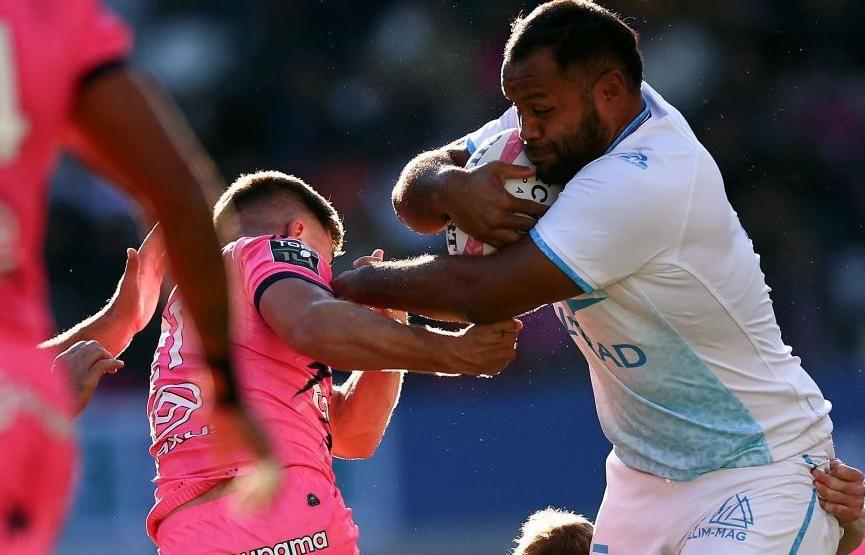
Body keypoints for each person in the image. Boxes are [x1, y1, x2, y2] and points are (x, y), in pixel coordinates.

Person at [331, 1, 863, 552]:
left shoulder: (647, 177)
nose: (526, 130)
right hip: (642, 479)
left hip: (759, 469)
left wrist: (352, 287)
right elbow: (410, 202)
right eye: (518, 109)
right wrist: (448, 186)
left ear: (608, 92)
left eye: (538, 111)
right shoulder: (559, 121)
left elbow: (481, 293)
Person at [56, 171, 520, 554]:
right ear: (298, 233)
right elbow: (312, 323)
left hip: (190, 534)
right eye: (326, 259)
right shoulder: (269, 250)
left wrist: (386, 330)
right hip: (276, 509)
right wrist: (451, 351)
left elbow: (353, 435)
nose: (326, 278)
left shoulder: (195, 312)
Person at [0, 1, 273, 552]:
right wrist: (225, 388)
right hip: (20, 409)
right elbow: (179, 195)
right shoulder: (47, 17)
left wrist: (115, 324)